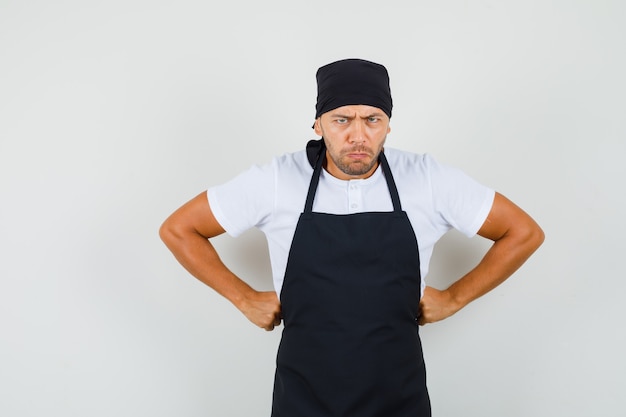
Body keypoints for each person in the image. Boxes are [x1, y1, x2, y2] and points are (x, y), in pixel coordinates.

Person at [159, 58, 545, 417]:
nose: (358, 135)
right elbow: (179, 229)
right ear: (318, 124)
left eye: (372, 120)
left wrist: (454, 298)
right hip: (303, 398)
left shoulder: (426, 179)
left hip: (398, 397)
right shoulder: (277, 181)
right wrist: (243, 298)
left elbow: (522, 232)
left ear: (388, 125)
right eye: (342, 120)